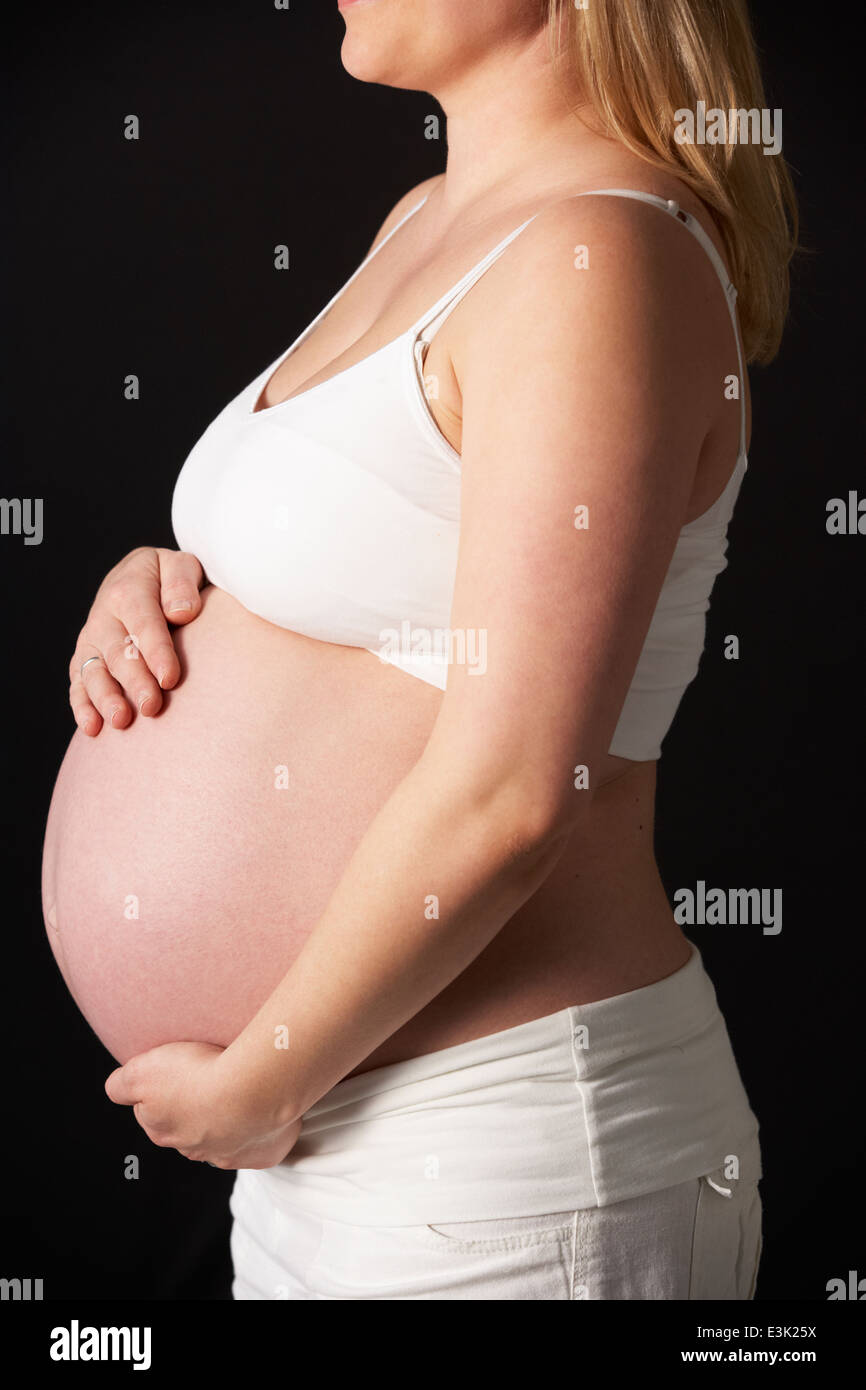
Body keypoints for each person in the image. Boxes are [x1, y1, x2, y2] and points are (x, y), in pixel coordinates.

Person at [69, 1, 796, 1299]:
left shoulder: (600, 257)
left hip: (497, 1163)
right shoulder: (431, 215)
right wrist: (174, 587)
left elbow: (515, 792)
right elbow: (373, 554)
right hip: (335, 1148)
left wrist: (261, 1078)